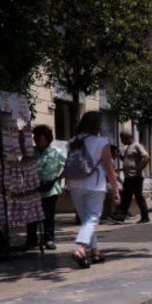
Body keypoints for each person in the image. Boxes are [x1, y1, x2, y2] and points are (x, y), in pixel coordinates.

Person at [65, 111, 120, 268]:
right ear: (98, 125)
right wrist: (116, 190)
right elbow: (110, 169)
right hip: (95, 184)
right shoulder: (102, 142)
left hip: (75, 184)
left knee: (86, 220)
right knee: (91, 218)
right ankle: (81, 249)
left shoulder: (73, 141)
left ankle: (95, 253)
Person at [25, 125, 65, 250]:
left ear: (47, 138)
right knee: (31, 216)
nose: (36, 139)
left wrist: (58, 178)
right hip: (33, 189)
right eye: (35, 136)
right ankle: (31, 239)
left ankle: (49, 239)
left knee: (48, 216)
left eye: (39, 136)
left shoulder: (56, 153)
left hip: (50, 189)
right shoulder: (31, 153)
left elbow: (68, 165)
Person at [112, 129, 150, 224]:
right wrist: (120, 156)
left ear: (128, 138)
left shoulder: (137, 146)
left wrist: (140, 168)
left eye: (122, 138)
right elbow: (127, 160)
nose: (121, 141)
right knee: (126, 197)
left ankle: (145, 217)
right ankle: (121, 216)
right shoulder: (128, 147)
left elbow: (146, 157)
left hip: (135, 176)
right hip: (129, 176)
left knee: (137, 197)